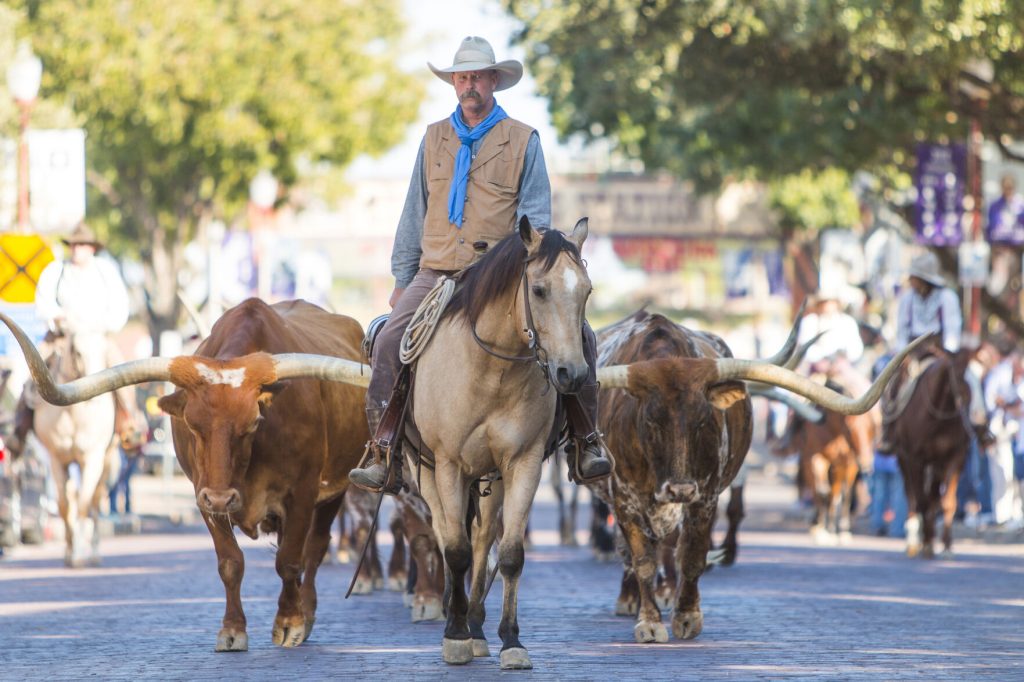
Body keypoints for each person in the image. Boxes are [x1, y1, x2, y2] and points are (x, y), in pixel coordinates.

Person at [349, 36, 612, 491]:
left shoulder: (523, 140)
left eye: (478, 77)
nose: (470, 85)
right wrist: (401, 278)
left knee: (580, 340)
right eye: (462, 77)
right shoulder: (434, 138)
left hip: (499, 276)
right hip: (435, 272)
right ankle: (383, 448)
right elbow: (415, 211)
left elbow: (537, 221)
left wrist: (526, 269)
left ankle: (585, 441)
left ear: (495, 81)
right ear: (454, 83)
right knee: (389, 338)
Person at [10, 222, 138, 454]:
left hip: (97, 338)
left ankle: (130, 423)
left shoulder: (105, 271)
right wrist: (59, 317)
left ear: (92, 248)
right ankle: (21, 426)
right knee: (32, 374)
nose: (78, 249)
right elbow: (43, 305)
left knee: (122, 374)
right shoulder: (56, 270)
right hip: (60, 338)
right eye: (75, 244)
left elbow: (119, 310)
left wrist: (95, 324)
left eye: (83, 245)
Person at [877, 250, 988, 451]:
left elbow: (952, 331)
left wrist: (946, 354)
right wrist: (903, 355)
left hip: (941, 352)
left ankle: (980, 426)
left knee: (970, 379)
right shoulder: (907, 299)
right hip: (913, 354)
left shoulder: (946, 298)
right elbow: (901, 331)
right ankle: (888, 430)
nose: (910, 281)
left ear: (924, 279)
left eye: (914, 277)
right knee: (889, 381)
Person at [986, 174, 1024, 245]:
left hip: (1018, 244)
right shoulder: (995, 205)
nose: (1008, 190)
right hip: (1000, 244)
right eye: (1006, 187)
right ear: (1002, 187)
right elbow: (992, 227)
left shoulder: (1021, 204)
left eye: (1010, 187)